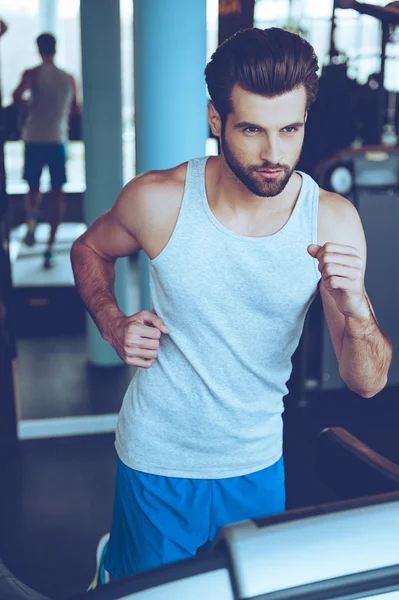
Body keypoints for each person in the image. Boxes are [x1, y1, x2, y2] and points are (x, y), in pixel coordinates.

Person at [70, 27, 392, 586]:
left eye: (290, 129)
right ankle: (113, 566)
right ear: (216, 120)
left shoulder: (332, 219)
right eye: (252, 130)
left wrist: (358, 311)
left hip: (257, 462)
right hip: (157, 460)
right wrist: (113, 322)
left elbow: (367, 384)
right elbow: (89, 249)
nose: (274, 154)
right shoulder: (159, 200)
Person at [12, 33, 79, 269]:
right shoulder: (68, 79)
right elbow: (75, 109)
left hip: (33, 137)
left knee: (32, 187)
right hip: (56, 139)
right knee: (58, 192)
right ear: (56, 48)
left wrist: (26, 110)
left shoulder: (32, 74)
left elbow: (16, 95)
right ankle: (50, 246)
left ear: (38, 49)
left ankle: (32, 218)